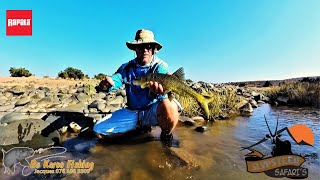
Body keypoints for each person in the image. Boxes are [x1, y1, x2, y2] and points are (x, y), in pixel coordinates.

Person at [93, 29, 182, 142]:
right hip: (132, 111)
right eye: (140, 46)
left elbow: (165, 89)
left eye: (148, 46)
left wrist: (163, 93)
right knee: (98, 130)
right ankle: (136, 132)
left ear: (153, 50)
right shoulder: (126, 67)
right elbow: (115, 80)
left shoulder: (160, 66)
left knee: (171, 105)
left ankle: (166, 135)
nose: (145, 50)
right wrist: (105, 86)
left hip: (152, 111)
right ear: (135, 49)